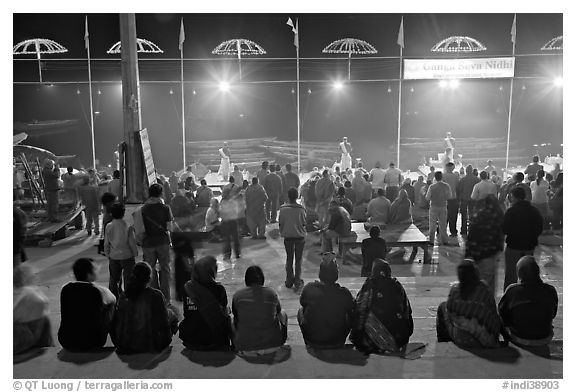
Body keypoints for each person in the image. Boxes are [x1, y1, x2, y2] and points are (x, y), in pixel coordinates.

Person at [111, 262, 177, 353]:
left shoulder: (124, 295)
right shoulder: (156, 295)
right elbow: (163, 318)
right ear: (149, 278)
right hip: (153, 343)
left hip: (126, 343)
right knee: (171, 314)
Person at [351, 259, 413, 353]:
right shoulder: (397, 286)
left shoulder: (369, 286)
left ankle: (377, 342)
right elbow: (407, 312)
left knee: (362, 313)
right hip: (398, 340)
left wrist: (356, 336)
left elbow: (359, 311)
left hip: (371, 342)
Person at [436, 259, 501, 348]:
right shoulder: (484, 288)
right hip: (486, 339)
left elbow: (450, 313)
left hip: (461, 340)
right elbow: (493, 312)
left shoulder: (455, 289)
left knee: (442, 307)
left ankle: (443, 341)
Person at [498, 256, 558, 346]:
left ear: (519, 273)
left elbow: (502, 314)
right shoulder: (550, 290)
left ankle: (507, 343)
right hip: (544, 337)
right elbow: (553, 314)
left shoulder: (512, 290)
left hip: (519, 338)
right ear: (537, 272)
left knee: (498, 316)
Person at [58, 258, 116, 351]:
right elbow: (113, 300)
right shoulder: (100, 290)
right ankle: (117, 341)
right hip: (93, 341)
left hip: (66, 340)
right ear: (89, 274)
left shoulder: (65, 288)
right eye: (95, 270)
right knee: (111, 305)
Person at [298, 257, 354, 349]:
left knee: (301, 311)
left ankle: (308, 342)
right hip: (337, 341)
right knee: (350, 313)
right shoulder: (344, 293)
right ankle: (343, 340)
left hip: (313, 340)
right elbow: (353, 310)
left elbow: (303, 303)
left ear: (320, 273)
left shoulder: (309, 288)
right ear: (336, 274)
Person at [179, 256, 232, 351]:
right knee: (228, 314)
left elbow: (186, 313)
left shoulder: (187, 287)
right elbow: (223, 312)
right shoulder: (219, 289)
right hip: (213, 338)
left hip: (192, 337)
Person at [232, 266, 287, 354]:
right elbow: (279, 312)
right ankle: (282, 341)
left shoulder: (238, 295)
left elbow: (236, 318)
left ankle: (234, 347)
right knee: (283, 314)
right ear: (262, 279)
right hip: (272, 345)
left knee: (231, 320)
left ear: (246, 280)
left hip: (245, 347)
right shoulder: (271, 293)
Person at [140, 183, 178, 303]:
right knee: (165, 269)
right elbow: (170, 228)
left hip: (148, 243)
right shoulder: (165, 208)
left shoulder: (143, 209)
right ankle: (165, 298)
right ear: (161, 193)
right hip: (163, 242)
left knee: (150, 269)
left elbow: (140, 227)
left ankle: (154, 296)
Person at [502, 187, 543, 291]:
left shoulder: (511, 211)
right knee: (529, 272)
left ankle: (510, 295)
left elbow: (504, 229)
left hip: (513, 246)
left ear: (513, 197)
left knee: (511, 274)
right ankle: (528, 294)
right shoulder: (534, 210)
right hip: (529, 246)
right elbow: (540, 228)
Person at [465, 195, 504, 296]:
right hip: (491, 253)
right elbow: (501, 234)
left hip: (476, 253)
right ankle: (487, 306)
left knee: (477, 281)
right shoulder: (499, 215)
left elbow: (471, 236)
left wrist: (467, 254)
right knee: (488, 283)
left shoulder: (478, 215)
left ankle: (477, 306)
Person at [13, 264, 54, 354]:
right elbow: (43, 302)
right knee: (45, 319)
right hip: (25, 336)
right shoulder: (28, 291)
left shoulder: (24, 291)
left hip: (25, 332)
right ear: (25, 278)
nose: (37, 277)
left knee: (44, 319)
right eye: (34, 275)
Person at [104, 203, 138, 298]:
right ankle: (128, 298)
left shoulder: (108, 226)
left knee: (114, 279)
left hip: (114, 256)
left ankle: (115, 299)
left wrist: (107, 253)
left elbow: (106, 242)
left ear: (111, 214)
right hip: (127, 256)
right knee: (129, 279)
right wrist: (135, 253)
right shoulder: (128, 226)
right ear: (123, 213)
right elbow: (132, 242)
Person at [279, 187, 307, 289]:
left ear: (288, 196)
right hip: (300, 237)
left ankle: (289, 281)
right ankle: (297, 281)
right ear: (297, 196)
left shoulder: (282, 209)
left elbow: (281, 223)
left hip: (288, 237)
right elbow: (304, 223)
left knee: (289, 259)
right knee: (298, 260)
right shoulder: (301, 209)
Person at [426, 171, 451, 246]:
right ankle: (445, 240)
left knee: (432, 224)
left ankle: (431, 241)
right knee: (443, 224)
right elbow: (449, 196)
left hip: (433, 206)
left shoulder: (432, 186)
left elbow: (427, 198)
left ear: (435, 177)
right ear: (441, 177)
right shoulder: (446, 186)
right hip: (443, 206)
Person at [457, 165, 480, 236]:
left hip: (464, 199)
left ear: (466, 171)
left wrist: (459, 198)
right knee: (472, 214)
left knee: (464, 215)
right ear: (472, 171)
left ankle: (463, 230)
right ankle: (471, 229)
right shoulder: (477, 179)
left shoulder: (462, 179)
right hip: (473, 199)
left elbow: (459, 189)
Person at [220, 189, 241, 261]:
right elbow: (237, 212)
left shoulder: (222, 202)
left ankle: (227, 255)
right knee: (235, 239)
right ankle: (237, 254)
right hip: (233, 222)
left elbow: (221, 212)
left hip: (225, 222)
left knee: (226, 240)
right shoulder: (233, 202)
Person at [443, 162, 460, 237]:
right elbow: (458, 187)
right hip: (454, 197)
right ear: (453, 168)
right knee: (453, 215)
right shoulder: (456, 176)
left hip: (445, 198)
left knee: (444, 215)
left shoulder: (443, 176)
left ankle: (441, 230)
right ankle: (453, 231)